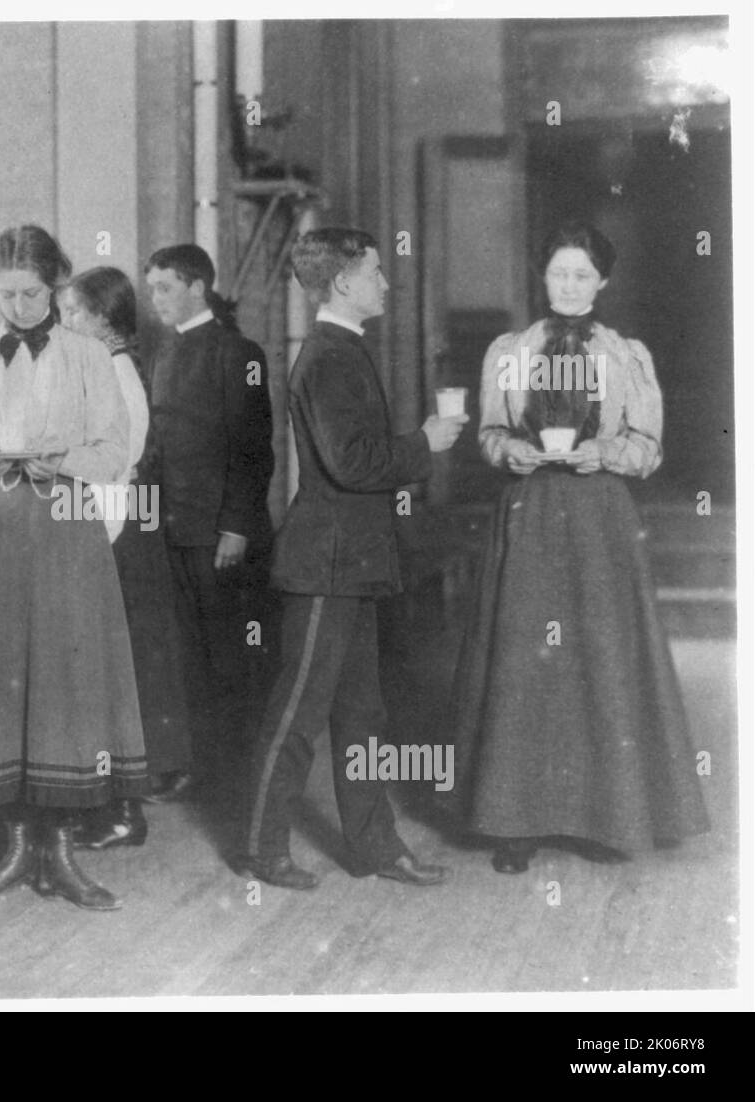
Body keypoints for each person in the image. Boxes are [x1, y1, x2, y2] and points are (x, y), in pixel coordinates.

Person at [450, 221, 709, 873]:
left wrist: (609, 452)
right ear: (543, 278)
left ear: (603, 282)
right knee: (524, 661)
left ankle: (606, 815)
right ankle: (514, 822)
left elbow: (649, 447)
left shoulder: (627, 355)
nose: (568, 286)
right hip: (531, 508)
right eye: (558, 273)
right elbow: (487, 432)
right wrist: (513, 450)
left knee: (600, 655)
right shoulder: (509, 350)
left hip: (600, 516)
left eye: (582, 275)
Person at [0, 225, 147, 911]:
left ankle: (62, 850)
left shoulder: (89, 354)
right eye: (6, 293)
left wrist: (61, 461)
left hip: (66, 526)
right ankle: (16, 843)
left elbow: (114, 449)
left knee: (66, 678)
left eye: (32, 292)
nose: (18, 306)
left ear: (57, 285)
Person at [238, 227, 467, 891]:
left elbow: (356, 458)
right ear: (342, 283)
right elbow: (352, 463)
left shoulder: (342, 349)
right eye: (375, 271)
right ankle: (261, 846)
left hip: (352, 562)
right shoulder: (329, 356)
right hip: (326, 564)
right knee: (298, 711)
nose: (385, 282)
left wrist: (418, 444)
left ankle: (375, 847)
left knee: (363, 715)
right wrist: (423, 443)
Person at [58, 266, 194, 850]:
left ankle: (122, 810)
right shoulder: (106, 368)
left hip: (115, 529)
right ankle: (110, 801)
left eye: (71, 313)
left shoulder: (114, 372)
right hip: (114, 523)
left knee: (119, 673)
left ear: (101, 318)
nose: (63, 322)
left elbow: (117, 462)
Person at [143, 244, 274, 801]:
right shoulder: (165, 355)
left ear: (197, 287)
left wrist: (237, 526)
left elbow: (253, 447)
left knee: (231, 656)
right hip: (176, 529)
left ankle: (239, 778)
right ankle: (199, 769)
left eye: (164, 289)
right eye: (151, 290)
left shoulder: (239, 351)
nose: (155, 301)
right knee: (189, 656)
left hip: (222, 536)